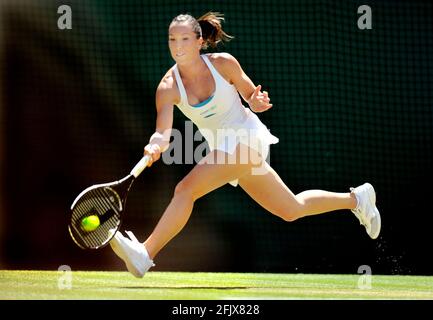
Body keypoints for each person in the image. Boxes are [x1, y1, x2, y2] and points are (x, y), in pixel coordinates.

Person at [109, 12, 381, 278]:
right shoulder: (168, 87)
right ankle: (357, 199)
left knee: (185, 189)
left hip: (247, 138)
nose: (178, 47)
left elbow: (250, 94)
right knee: (291, 209)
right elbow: (162, 132)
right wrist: (154, 145)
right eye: (172, 40)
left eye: (184, 40)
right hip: (225, 148)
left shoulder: (224, 64)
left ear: (199, 41)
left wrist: (256, 101)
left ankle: (146, 253)